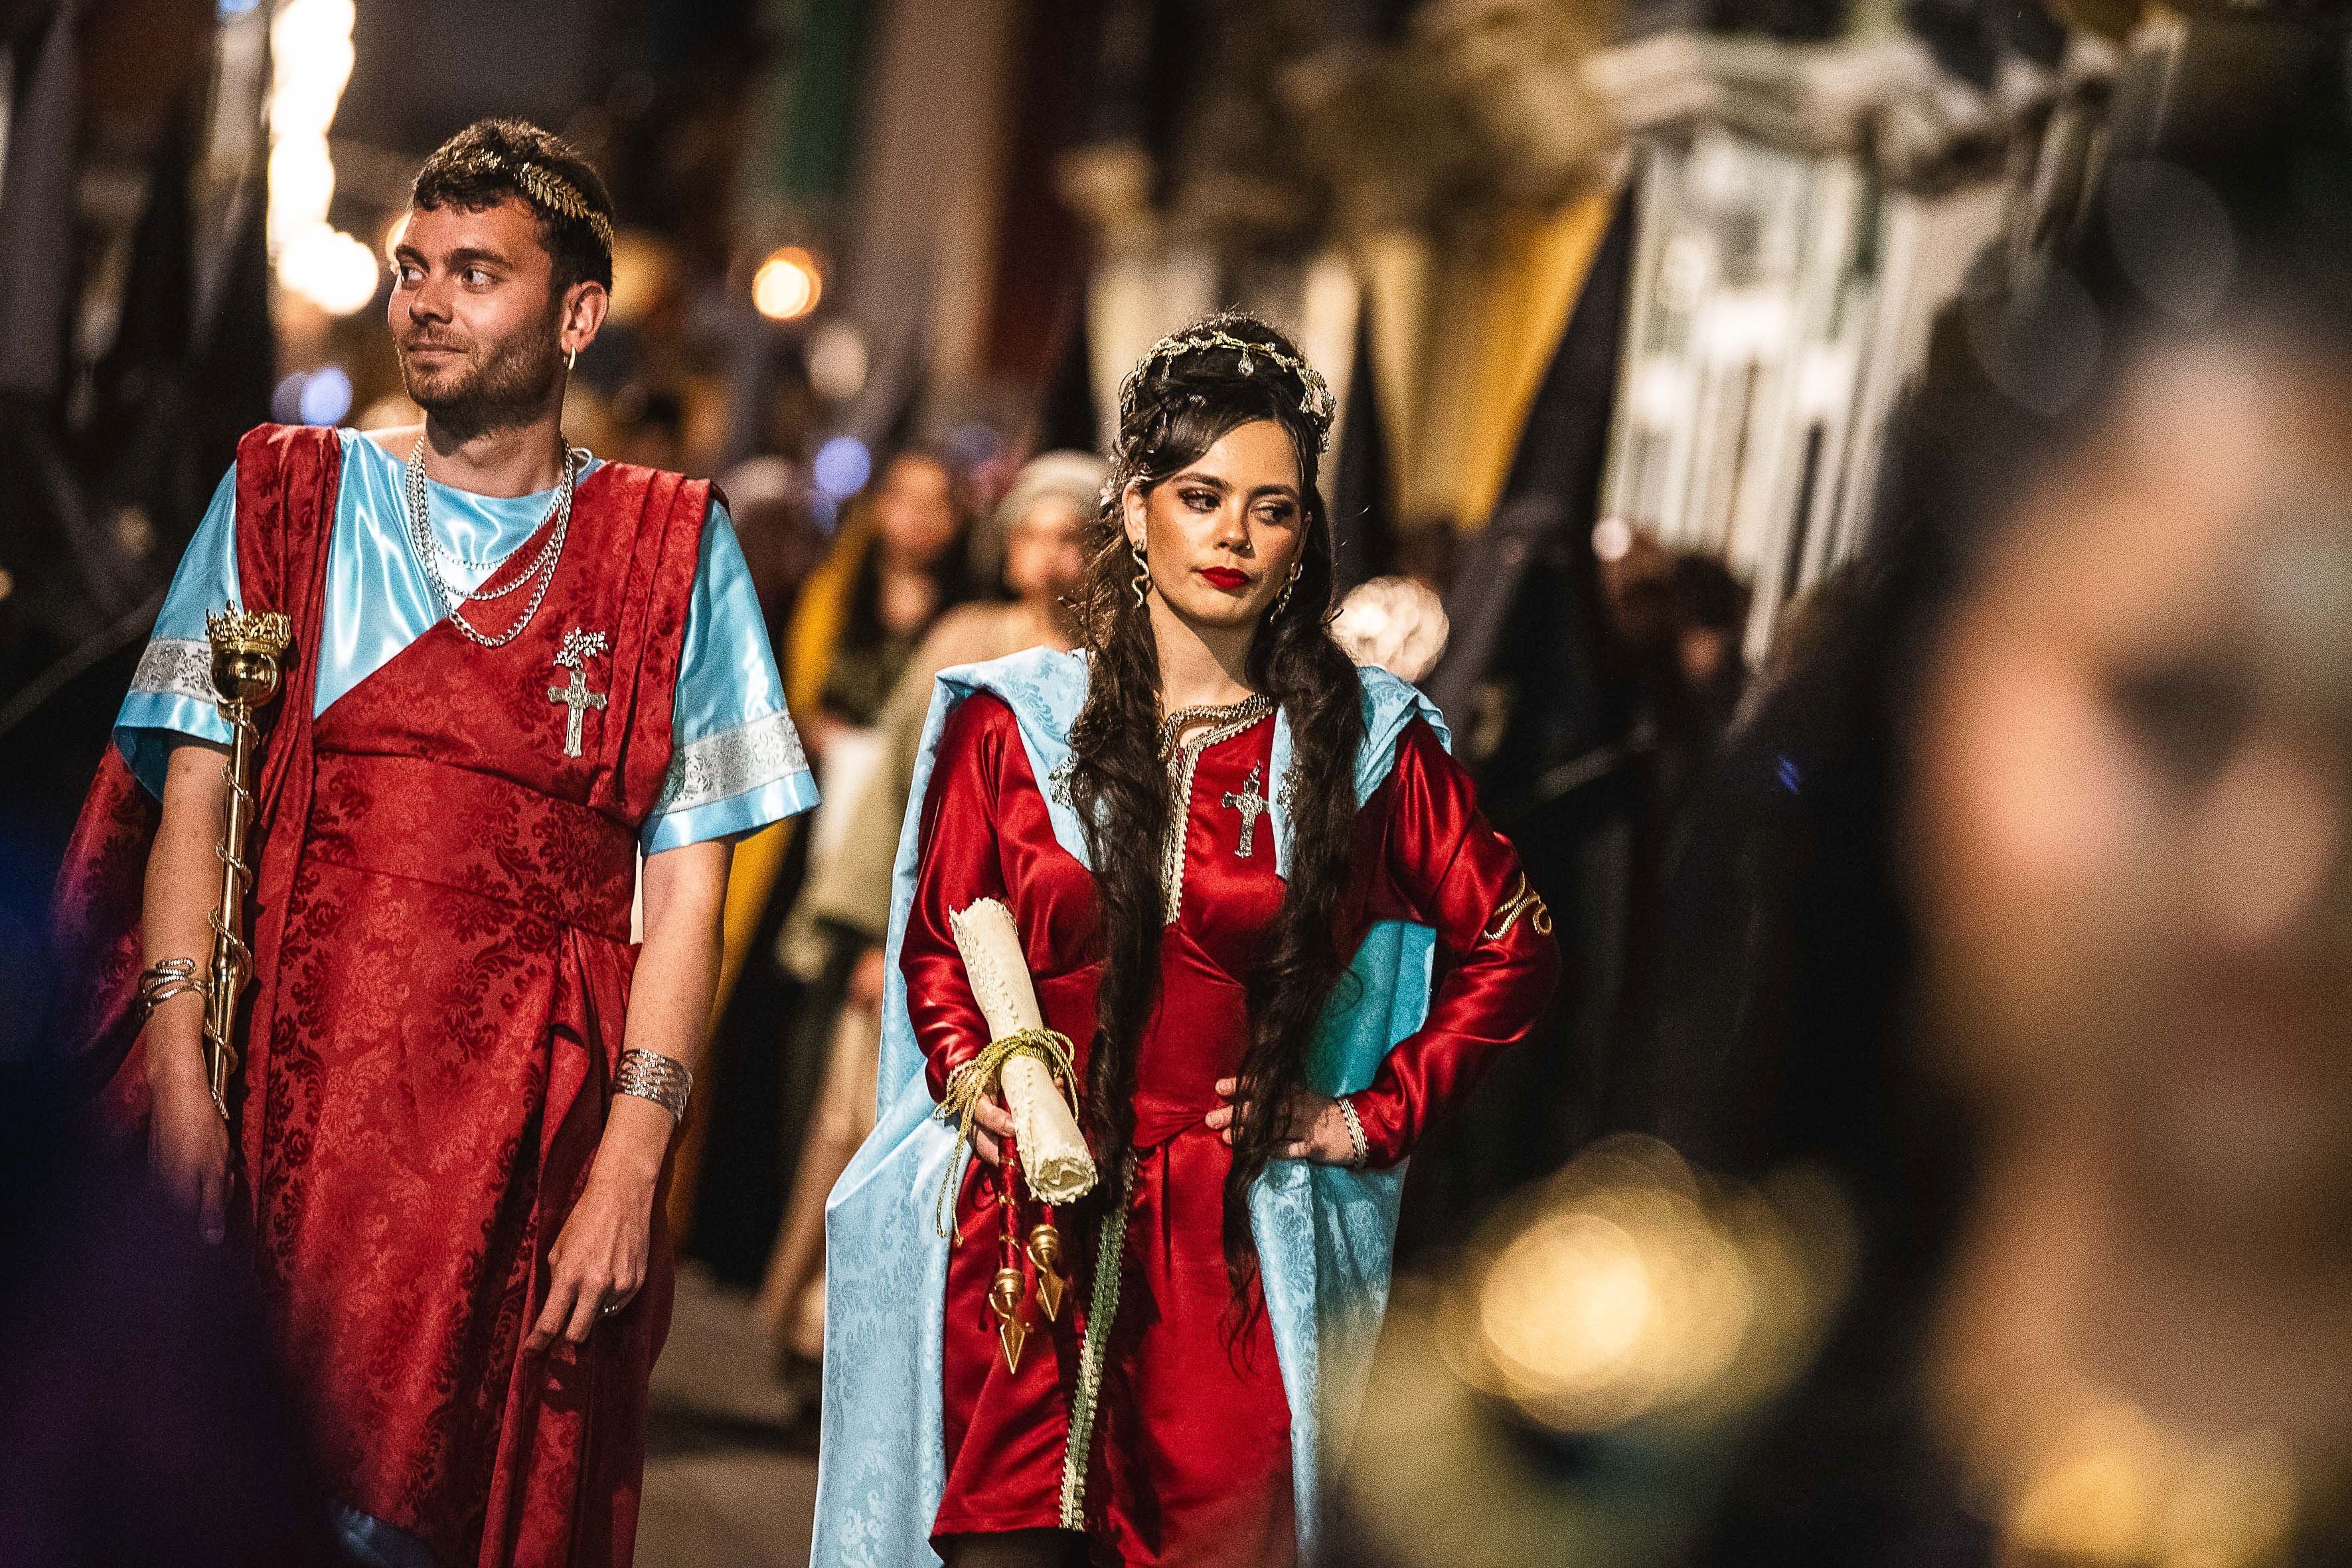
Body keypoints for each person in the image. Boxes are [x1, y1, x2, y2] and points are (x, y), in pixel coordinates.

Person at [46, 119, 815, 1568]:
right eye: (414, 268)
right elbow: (195, 801)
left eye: (476, 272)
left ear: (577, 314)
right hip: (282, 1097)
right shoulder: (285, 491)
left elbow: (690, 875)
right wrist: (175, 1084)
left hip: (518, 1148)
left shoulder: (670, 550)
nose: (427, 301)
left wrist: (633, 1164)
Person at [813, 313, 1561, 1567]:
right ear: (1138, 506)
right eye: (1203, 495)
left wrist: (1369, 1115)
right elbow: (942, 935)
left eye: (1272, 508)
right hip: (1025, 1237)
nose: (1233, 534)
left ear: (1305, 534)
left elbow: (1512, 940)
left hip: (1236, 1252)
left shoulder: (1367, 744)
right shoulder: (1016, 722)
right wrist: (974, 1075)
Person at [753, 449, 1105, 1383]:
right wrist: (877, 928)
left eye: (1072, 536)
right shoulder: (968, 636)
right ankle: (819, 1337)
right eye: (1033, 532)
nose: (1051, 556)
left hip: (1038, 958)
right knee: (865, 1129)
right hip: (931, 934)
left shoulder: (1112, 665)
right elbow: (899, 795)